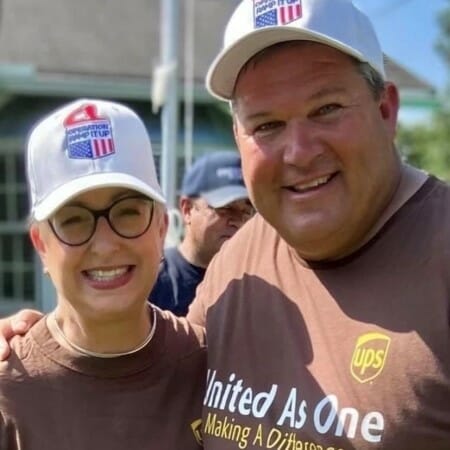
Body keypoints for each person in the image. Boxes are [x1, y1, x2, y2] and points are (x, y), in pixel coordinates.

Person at [1, 0, 450, 449]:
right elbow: (147, 368)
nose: (298, 151)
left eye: (326, 108)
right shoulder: (241, 259)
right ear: (239, 138)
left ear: (386, 109)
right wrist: (43, 344)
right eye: (267, 124)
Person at [0, 99, 206, 449]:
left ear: (160, 228)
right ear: (41, 245)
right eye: (74, 220)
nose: (105, 245)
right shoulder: (9, 391)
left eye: (127, 212)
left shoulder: (213, 368)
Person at [150, 151, 253, 316]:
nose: (237, 220)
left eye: (246, 211)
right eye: (225, 208)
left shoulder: (257, 285)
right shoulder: (152, 279)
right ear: (187, 210)